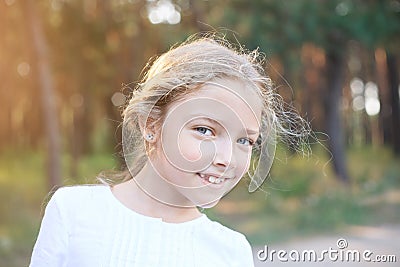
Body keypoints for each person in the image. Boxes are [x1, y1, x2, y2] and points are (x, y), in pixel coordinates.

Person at [29, 35, 309, 266]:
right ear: (151, 123)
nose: (226, 159)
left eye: (245, 141)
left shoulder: (231, 252)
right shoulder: (73, 211)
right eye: (204, 130)